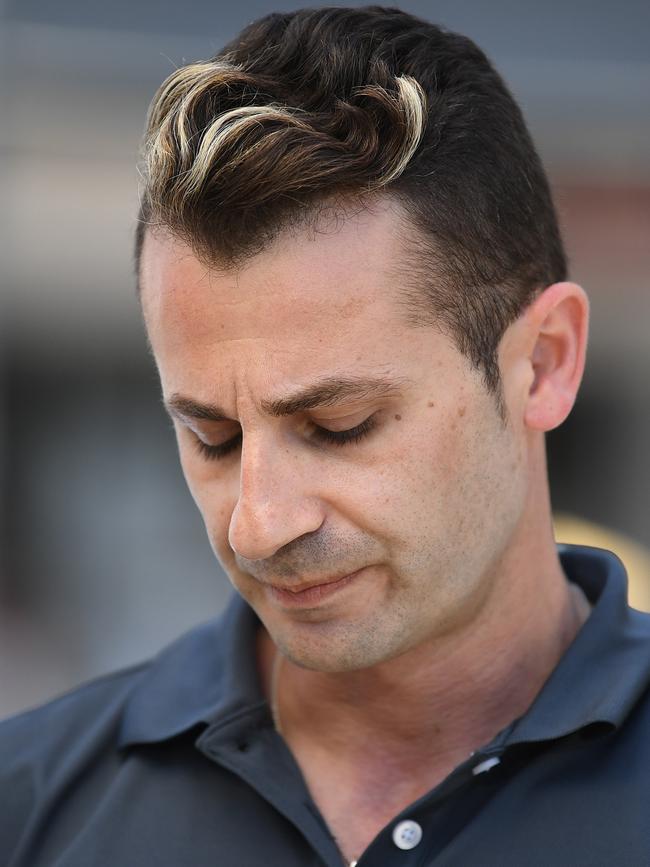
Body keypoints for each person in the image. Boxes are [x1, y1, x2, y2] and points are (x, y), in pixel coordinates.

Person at [2, 7, 649, 866]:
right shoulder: (30, 808)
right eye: (213, 438)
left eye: (338, 426)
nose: (259, 525)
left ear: (545, 363)